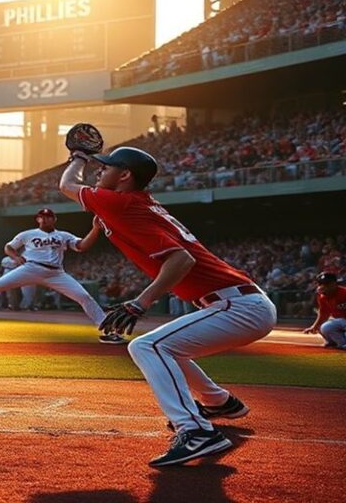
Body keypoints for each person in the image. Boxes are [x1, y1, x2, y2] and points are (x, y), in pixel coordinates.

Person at [59, 145, 277, 467]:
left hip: (237, 305)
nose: (98, 172)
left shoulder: (119, 201)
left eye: (105, 168)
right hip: (242, 301)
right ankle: (219, 402)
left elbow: (182, 258)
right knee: (168, 347)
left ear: (125, 175)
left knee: (147, 347)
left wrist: (139, 303)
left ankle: (196, 431)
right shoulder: (138, 203)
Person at [0, 207, 122, 344]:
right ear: (37, 219)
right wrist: (16, 256)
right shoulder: (28, 234)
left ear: (54, 219)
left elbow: (82, 246)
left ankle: (108, 331)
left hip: (56, 274)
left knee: (84, 297)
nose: (44, 219)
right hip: (31, 268)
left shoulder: (63, 235)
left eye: (48, 216)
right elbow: (8, 247)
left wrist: (95, 228)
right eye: (41, 217)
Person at [302, 272, 346, 349]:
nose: (323, 286)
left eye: (327, 284)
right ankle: (339, 343)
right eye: (321, 284)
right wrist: (314, 326)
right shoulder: (322, 296)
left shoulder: (344, 293)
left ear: (334, 283)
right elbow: (323, 314)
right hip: (340, 320)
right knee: (324, 327)